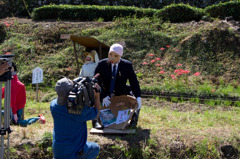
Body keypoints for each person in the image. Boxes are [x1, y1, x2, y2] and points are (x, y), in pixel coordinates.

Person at [50, 77, 100, 159]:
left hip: (58, 151)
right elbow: (96, 113)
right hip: (73, 153)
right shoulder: (80, 111)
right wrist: (97, 96)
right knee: (95, 148)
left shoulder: (53, 106)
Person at [94, 43, 142, 127]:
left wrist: (138, 96)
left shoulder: (127, 65)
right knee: (94, 96)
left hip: (120, 92)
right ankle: (95, 120)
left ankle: (133, 119)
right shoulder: (102, 64)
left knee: (134, 101)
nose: (112, 58)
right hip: (105, 92)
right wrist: (103, 94)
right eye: (110, 54)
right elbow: (96, 80)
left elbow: (133, 81)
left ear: (120, 56)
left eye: (115, 56)